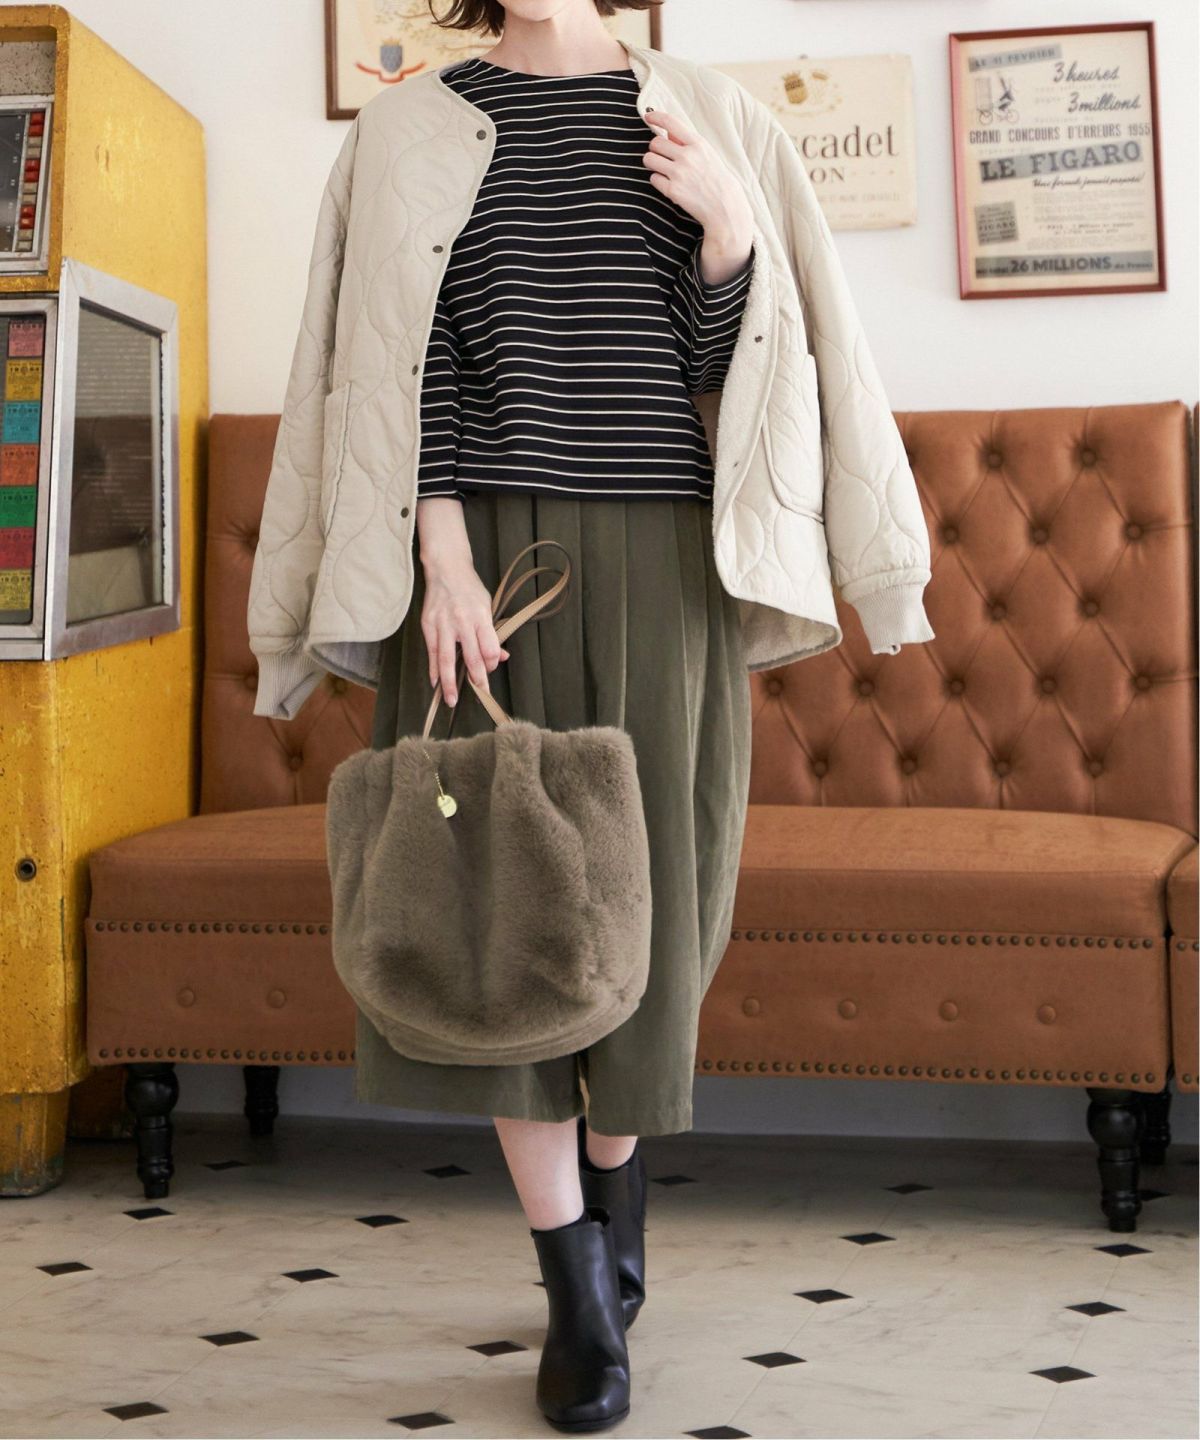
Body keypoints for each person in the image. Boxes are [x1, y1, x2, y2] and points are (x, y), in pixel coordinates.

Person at [248, 0, 935, 1429]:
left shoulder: (715, 113)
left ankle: (618, 1195)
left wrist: (729, 233)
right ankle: (575, 1289)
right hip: (479, 563)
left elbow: (750, 366)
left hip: (671, 561)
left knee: (656, 911)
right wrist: (439, 563)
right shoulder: (409, 127)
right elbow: (397, 364)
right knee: (499, 911)